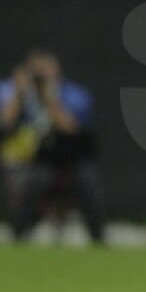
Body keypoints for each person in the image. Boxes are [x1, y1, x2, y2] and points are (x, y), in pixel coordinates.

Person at [1, 49, 105, 243]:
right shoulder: (11, 91)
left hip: (68, 161)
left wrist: (50, 99)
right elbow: (5, 125)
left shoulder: (74, 94)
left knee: (87, 181)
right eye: (36, 71)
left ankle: (98, 239)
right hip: (28, 161)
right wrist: (19, 95)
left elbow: (71, 128)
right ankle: (18, 236)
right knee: (29, 181)